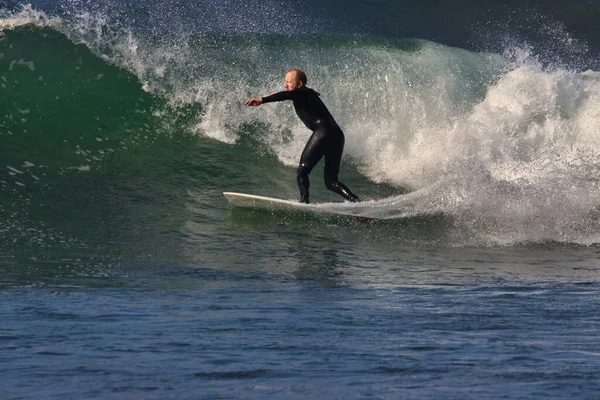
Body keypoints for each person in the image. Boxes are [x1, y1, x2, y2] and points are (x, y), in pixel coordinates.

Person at [244, 69, 359, 204]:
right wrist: (283, 94)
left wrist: (262, 100)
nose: (285, 85)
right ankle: (357, 203)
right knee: (331, 182)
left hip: (323, 132)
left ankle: (304, 201)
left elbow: (286, 95)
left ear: (299, 84)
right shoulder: (306, 94)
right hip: (337, 136)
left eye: (289, 82)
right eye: (285, 82)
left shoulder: (303, 92)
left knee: (302, 171)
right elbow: (286, 95)